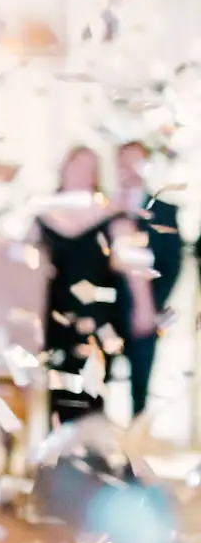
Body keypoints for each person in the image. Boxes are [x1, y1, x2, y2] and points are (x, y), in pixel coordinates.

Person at [37, 147, 127, 425]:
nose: (83, 175)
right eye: (78, 167)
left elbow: (127, 270)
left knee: (92, 388)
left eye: (90, 169)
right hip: (55, 317)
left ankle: (89, 458)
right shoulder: (42, 215)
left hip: (98, 317)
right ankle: (57, 460)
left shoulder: (111, 217)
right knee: (57, 388)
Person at [114, 140, 181, 418]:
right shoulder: (106, 207)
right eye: (124, 162)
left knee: (140, 388)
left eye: (136, 162)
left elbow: (171, 265)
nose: (129, 170)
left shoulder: (164, 212)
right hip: (108, 310)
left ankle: (135, 452)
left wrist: (152, 308)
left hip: (146, 312)